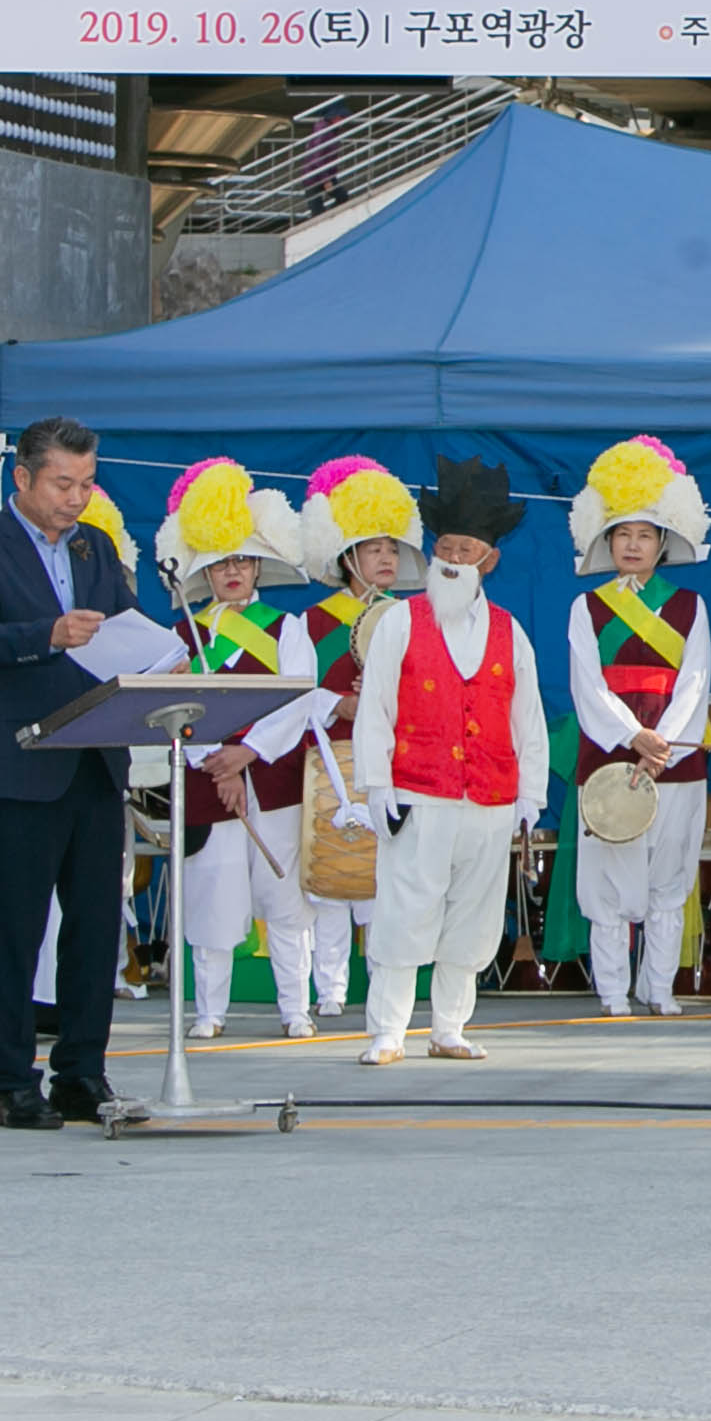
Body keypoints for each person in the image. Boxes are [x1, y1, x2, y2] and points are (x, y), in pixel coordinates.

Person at [0, 417, 141, 1129]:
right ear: (22, 478)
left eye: (87, 484)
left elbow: (120, 622)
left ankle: (81, 1073)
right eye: (63, 483)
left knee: (94, 927)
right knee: (15, 926)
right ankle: (10, 1079)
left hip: (95, 760)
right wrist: (47, 635)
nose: (77, 499)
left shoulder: (97, 546)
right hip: (22, 761)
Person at [349, 459, 548, 1065]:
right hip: (419, 791)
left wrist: (530, 795)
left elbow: (528, 718)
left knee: (474, 917)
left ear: (489, 560)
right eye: (447, 547)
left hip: (488, 795)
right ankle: (388, 1030)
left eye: (469, 549)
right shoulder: (399, 623)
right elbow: (375, 708)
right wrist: (375, 784)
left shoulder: (510, 631)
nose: (455, 558)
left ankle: (449, 1027)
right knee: (405, 909)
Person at [153, 457, 312, 1041]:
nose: (234, 571)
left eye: (243, 560)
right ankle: (209, 1011)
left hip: (271, 782)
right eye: (222, 563)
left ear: (258, 567)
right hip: (204, 783)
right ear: (205, 573)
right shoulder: (182, 637)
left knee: (285, 899)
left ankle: (296, 1008)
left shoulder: (286, 628)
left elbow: (297, 700)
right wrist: (211, 761)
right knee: (213, 897)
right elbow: (176, 710)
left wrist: (245, 756)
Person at [563, 435, 711, 1016]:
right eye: (623, 534)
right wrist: (633, 737)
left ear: (662, 544)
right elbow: (587, 683)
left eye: (645, 535)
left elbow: (696, 680)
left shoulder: (690, 606)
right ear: (607, 542)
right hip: (609, 755)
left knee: (668, 875)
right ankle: (611, 991)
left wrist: (663, 746)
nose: (633, 545)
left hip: (674, 761)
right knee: (608, 877)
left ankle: (659, 988)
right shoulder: (587, 607)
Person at [275, 453, 424, 1022]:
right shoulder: (311, 623)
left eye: (392, 548)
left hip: (392, 762)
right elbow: (294, 691)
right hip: (329, 760)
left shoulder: (413, 618)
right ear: (346, 556)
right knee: (332, 876)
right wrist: (343, 702)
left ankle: (388, 985)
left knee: (387, 877)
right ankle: (331, 988)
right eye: (373, 549)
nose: (386, 559)